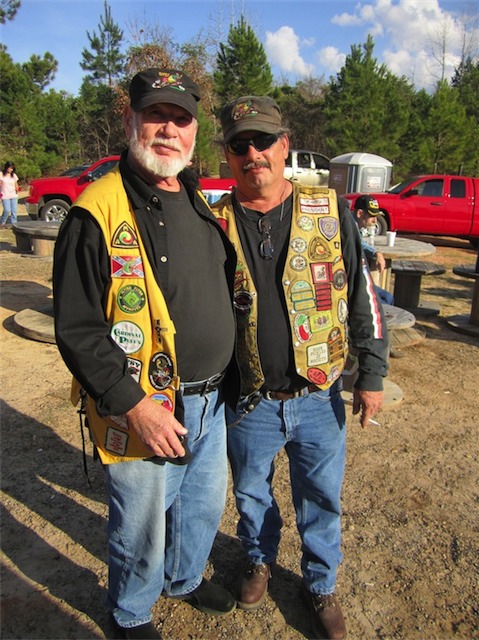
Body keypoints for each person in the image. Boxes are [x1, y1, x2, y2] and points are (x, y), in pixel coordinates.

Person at [53, 68, 238, 640]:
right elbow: (78, 329)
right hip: (147, 404)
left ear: (195, 130)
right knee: (140, 522)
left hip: (211, 399)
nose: (168, 130)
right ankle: (131, 611)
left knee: (201, 506)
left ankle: (183, 578)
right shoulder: (96, 210)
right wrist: (134, 406)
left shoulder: (196, 197)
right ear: (130, 121)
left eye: (181, 119)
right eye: (156, 115)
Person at [212, 96, 389, 640]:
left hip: (318, 395)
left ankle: (321, 583)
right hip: (249, 398)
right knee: (251, 493)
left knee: (321, 498)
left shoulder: (328, 209)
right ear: (227, 155)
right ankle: (258, 559)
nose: (253, 154)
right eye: (240, 145)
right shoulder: (212, 220)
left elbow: (363, 295)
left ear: (284, 145)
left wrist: (372, 374)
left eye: (263, 141)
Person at [352, 194, 394, 306]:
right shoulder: (348, 228)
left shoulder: (355, 227)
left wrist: (376, 252)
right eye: (372, 216)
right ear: (359, 213)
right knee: (383, 301)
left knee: (387, 298)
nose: (375, 221)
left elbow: (360, 243)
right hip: (352, 284)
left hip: (359, 279)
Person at [0, 161, 20, 228]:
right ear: (6, 167)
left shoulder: (13, 175)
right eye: (9, 168)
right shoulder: (1, 174)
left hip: (13, 195)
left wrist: (17, 189)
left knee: (14, 211)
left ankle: (14, 224)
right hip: (5, 195)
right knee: (7, 210)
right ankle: (2, 222)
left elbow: (16, 184)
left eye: (12, 168)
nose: (10, 169)